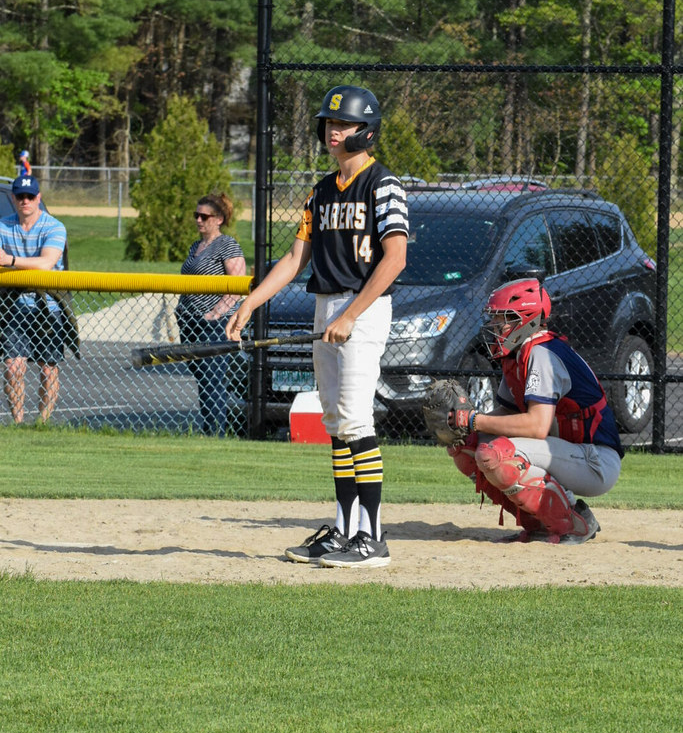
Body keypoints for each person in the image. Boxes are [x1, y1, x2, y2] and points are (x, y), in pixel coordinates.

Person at [225, 85, 409, 568]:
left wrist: (351, 315)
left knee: (355, 419)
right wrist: (251, 303)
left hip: (362, 309)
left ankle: (372, 539)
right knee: (335, 424)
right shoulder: (322, 190)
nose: (333, 131)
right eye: (329, 123)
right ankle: (345, 529)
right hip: (326, 305)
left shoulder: (383, 185)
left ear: (365, 130)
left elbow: (395, 259)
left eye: (343, 124)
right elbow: (294, 258)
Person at [446, 277, 624, 543]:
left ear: (525, 319)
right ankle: (540, 522)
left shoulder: (542, 353)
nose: (494, 326)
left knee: (495, 453)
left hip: (595, 460)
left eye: (502, 319)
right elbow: (507, 416)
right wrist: (463, 427)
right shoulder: (518, 354)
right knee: (468, 447)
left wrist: (475, 421)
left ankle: (575, 523)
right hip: (567, 451)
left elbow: (536, 426)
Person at [175, 192, 246, 436]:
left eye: (204, 216)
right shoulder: (196, 246)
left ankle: (215, 432)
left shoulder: (227, 245)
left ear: (219, 219)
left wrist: (216, 314)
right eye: (196, 215)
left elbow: (237, 285)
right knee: (201, 377)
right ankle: (210, 429)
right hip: (189, 321)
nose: (198, 220)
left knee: (212, 378)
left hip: (213, 324)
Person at [0, 174, 67, 423]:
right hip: (14, 306)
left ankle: (42, 422)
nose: (25, 201)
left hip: (48, 308)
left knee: (48, 369)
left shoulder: (54, 226)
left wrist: (11, 261)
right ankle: (18, 423)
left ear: (38, 198)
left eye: (30, 196)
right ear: (13, 198)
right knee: (13, 368)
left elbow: (47, 263)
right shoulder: (3, 225)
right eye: (20, 196)